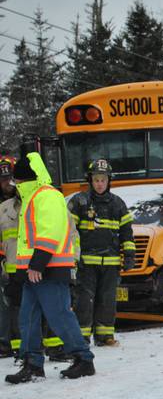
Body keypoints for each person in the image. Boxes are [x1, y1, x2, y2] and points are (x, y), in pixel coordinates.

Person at [4, 148, 95, 384]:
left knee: (59, 316)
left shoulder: (48, 196)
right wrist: (22, 272)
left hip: (49, 269)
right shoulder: (32, 198)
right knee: (28, 318)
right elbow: (26, 241)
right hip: (34, 270)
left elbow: (50, 232)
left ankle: (83, 359)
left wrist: (37, 264)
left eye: (18, 180)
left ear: (27, 179)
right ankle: (32, 364)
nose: (15, 184)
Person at [68, 159, 135, 347]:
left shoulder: (118, 204)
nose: (99, 184)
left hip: (111, 264)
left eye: (103, 180)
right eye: (96, 180)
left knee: (107, 301)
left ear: (109, 181)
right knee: (84, 301)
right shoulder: (79, 202)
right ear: (90, 180)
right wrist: (73, 259)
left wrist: (129, 256)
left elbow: (127, 233)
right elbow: (69, 232)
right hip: (86, 264)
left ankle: (105, 337)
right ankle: (81, 338)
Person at [0, 155, 16, 358]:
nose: (7, 183)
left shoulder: (24, 199)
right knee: (4, 304)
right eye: (3, 179)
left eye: (10, 178)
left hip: (22, 260)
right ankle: (4, 343)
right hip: (3, 261)